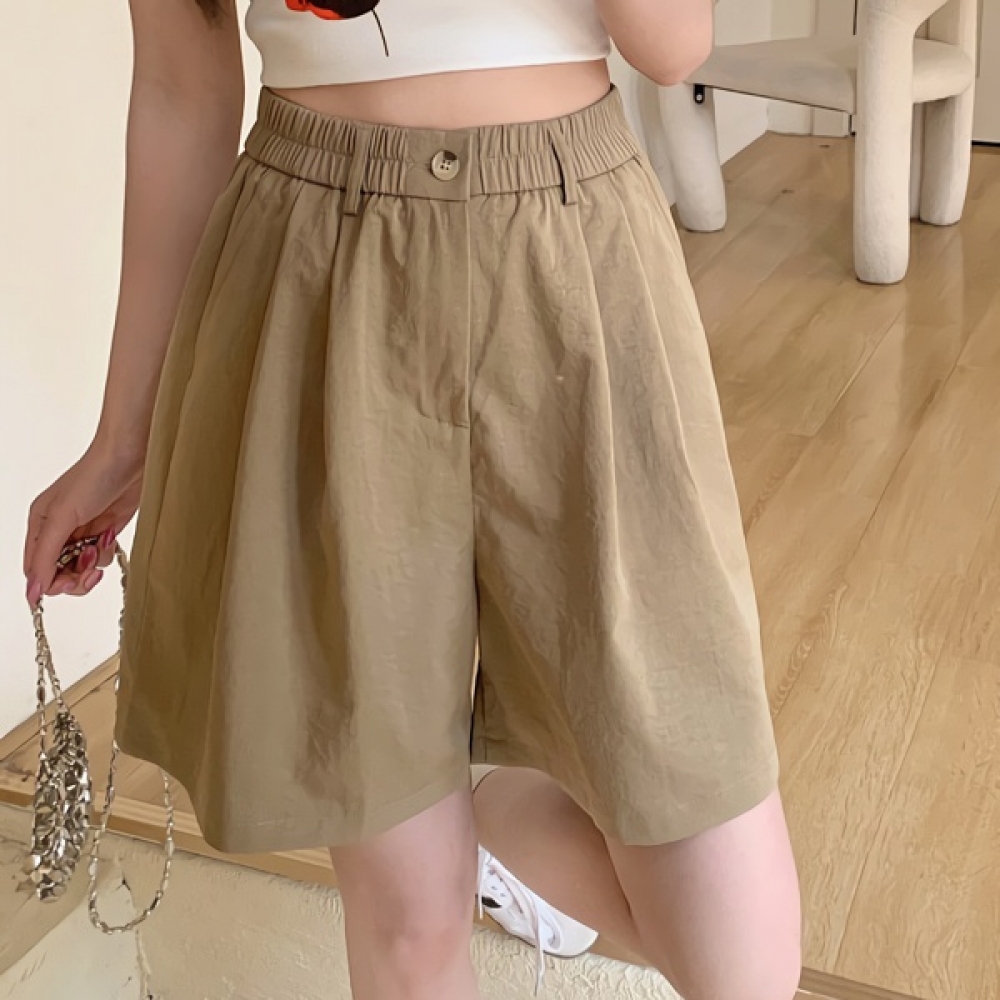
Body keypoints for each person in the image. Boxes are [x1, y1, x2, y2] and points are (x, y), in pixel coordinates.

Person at [22, 1, 802, 997]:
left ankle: (495, 807)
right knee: (408, 927)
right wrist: (123, 436)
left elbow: (674, 44)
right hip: (314, 259)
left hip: (570, 251)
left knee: (741, 961)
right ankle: (451, 817)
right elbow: (183, 86)